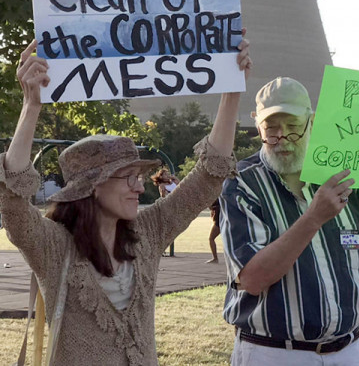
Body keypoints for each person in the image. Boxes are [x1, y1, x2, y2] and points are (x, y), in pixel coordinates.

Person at [0, 38, 251, 365]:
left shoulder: (148, 233)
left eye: (139, 175)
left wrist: (231, 89)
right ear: (92, 188)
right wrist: (32, 105)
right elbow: (13, 201)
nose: (139, 186)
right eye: (127, 176)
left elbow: (207, 178)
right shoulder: (53, 247)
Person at [220, 77, 359, 365]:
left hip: (350, 349)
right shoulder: (242, 183)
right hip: (274, 353)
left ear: (312, 122)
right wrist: (313, 218)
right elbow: (252, 279)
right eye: (272, 129)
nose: (282, 140)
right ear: (258, 127)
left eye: (293, 128)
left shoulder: (345, 176)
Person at [206, 198, 221, 263]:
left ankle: (215, 258)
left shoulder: (216, 198)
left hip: (219, 221)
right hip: (223, 219)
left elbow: (210, 206)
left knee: (211, 238)